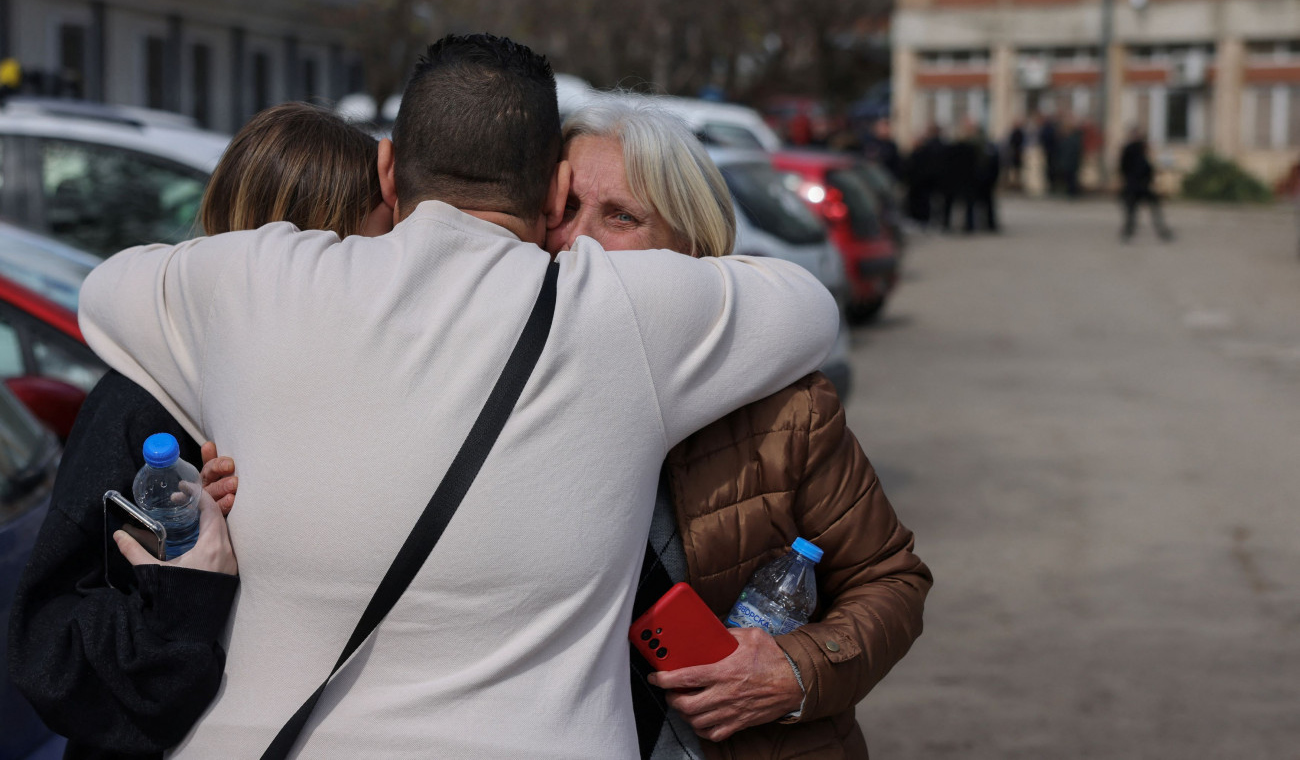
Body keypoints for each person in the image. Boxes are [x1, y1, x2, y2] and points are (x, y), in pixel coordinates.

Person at [73, 34, 840, 759]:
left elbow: (105, 291)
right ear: (557, 188)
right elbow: (807, 305)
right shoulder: (623, 313)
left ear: (387, 169)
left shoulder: (248, 281)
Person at [203, 95, 932, 760]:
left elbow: (890, 577)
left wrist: (795, 669)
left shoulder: (783, 406)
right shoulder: (460, 374)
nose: (576, 242)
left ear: (694, 254)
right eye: (563, 210)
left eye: (620, 217)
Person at [7, 102, 386, 760]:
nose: (393, 276)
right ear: (308, 247)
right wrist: (192, 577)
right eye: (375, 248)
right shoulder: (149, 399)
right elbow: (54, 655)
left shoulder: (341, 391)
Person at [1118, 126, 1173, 243]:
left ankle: (1160, 231)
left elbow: (1147, 167)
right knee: (1132, 211)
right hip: (1134, 185)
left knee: (1150, 209)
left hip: (1142, 185)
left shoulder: (1141, 148)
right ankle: (1128, 231)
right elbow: (1125, 168)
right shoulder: (1131, 149)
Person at [904, 124, 945, 229]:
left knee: (923, 202)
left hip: (922, 182)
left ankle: (922, 220)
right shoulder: (930, 148)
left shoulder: (925, 151)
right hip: (925, 182)